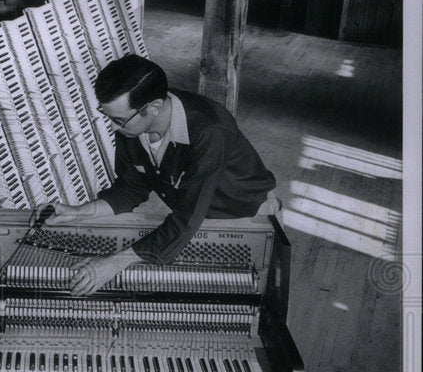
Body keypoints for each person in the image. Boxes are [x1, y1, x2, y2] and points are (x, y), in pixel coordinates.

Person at [48, 54, 279, 296]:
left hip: (247, 217)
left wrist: (115, 262)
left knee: (243, 300)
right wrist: (79, 212)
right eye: (109, 117)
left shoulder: (210, 131)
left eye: (118, 120)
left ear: (155, 107)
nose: (113, 127)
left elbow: (186, 219)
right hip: (198, 216)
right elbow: (130, 188)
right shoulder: (134, 123)